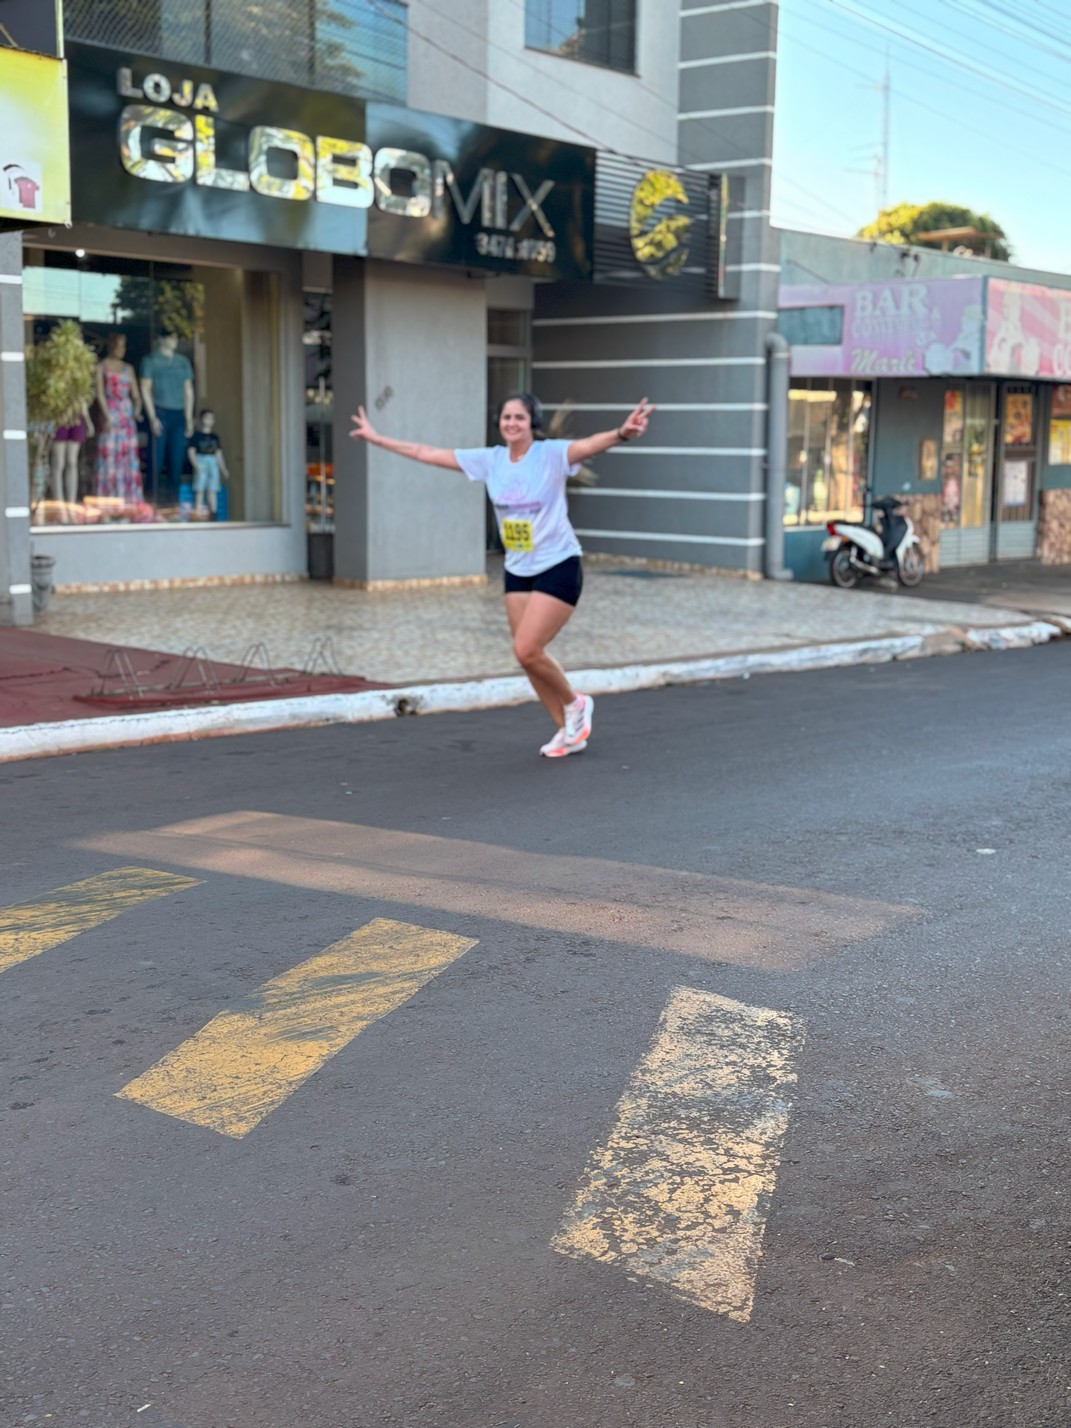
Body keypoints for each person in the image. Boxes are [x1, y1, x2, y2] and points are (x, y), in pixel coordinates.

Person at [350, 391, 654, 758]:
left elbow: (590, 445)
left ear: (532, 424)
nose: (511, 423)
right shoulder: (490, 460)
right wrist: (376, 437)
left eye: (519, 418)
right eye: (506, 417)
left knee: (527, 647)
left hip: (558, 563)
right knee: (527, 656)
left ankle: (576, 705)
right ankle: (566, 729)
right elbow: (426, 453)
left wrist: (622, 432)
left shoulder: (550, 455)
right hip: (518, 568)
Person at [141, 332, 194, 507]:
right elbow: (145, 388)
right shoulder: (150, 360)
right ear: (161, 339)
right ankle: (152, 502)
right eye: (171, 337)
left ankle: (173, 503)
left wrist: (188, 418)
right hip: (160, 411)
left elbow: (188, 390)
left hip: (178, 413)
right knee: (156, 460)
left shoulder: (182, 362)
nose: (175, 341)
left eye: (175, 337)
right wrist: (152, 417)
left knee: (177, 460)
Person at [95, 332, 144, 504]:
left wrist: (137, 411)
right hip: (111, 411)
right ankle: (109, 498)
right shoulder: (101, 367)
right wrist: (107, 415)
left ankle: (128, 498)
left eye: (124, 346)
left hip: (126, 413)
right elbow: (100, 393)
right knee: (109, 453)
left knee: (127, 455)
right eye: (119, 345)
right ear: (112, 345)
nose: (122, 349)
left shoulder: (128, 368)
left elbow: (136, 395)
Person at [187, 408, 230, 518]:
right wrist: (196, 465)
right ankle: (198, 511)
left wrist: (223, 469)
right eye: (207, 418)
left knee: (213, 489)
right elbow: (191, 452)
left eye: (211, 418)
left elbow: (219, 454)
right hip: (201, 461)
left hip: (213, 463)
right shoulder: (196, 436)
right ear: (201, 419)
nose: (209, 420)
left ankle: (213, 513)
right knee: (199, 488)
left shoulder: (215, 437)